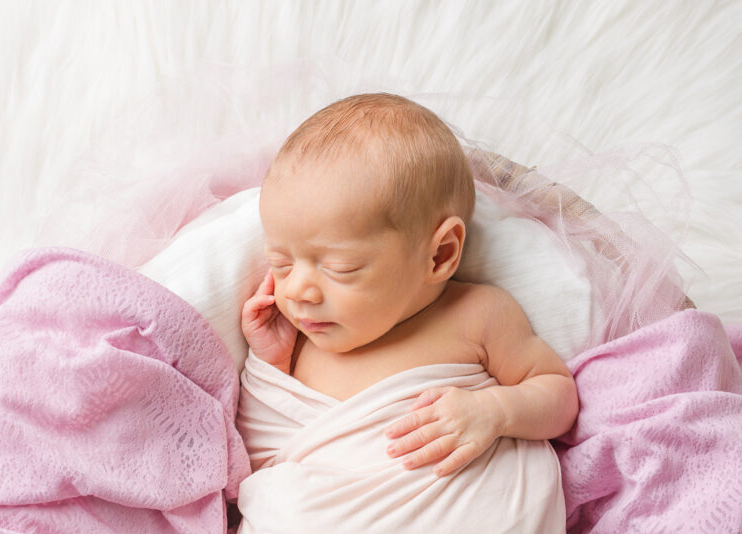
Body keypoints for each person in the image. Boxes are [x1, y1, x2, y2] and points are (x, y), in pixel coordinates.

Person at [240, 92, 578, 476]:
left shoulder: (477, 315)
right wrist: (270, 363)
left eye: (340, 267)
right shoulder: (300, 346)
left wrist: (496, 410)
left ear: (440, 255)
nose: (297, 290)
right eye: (281, 264)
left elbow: (560, 397)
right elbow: (257, 458)